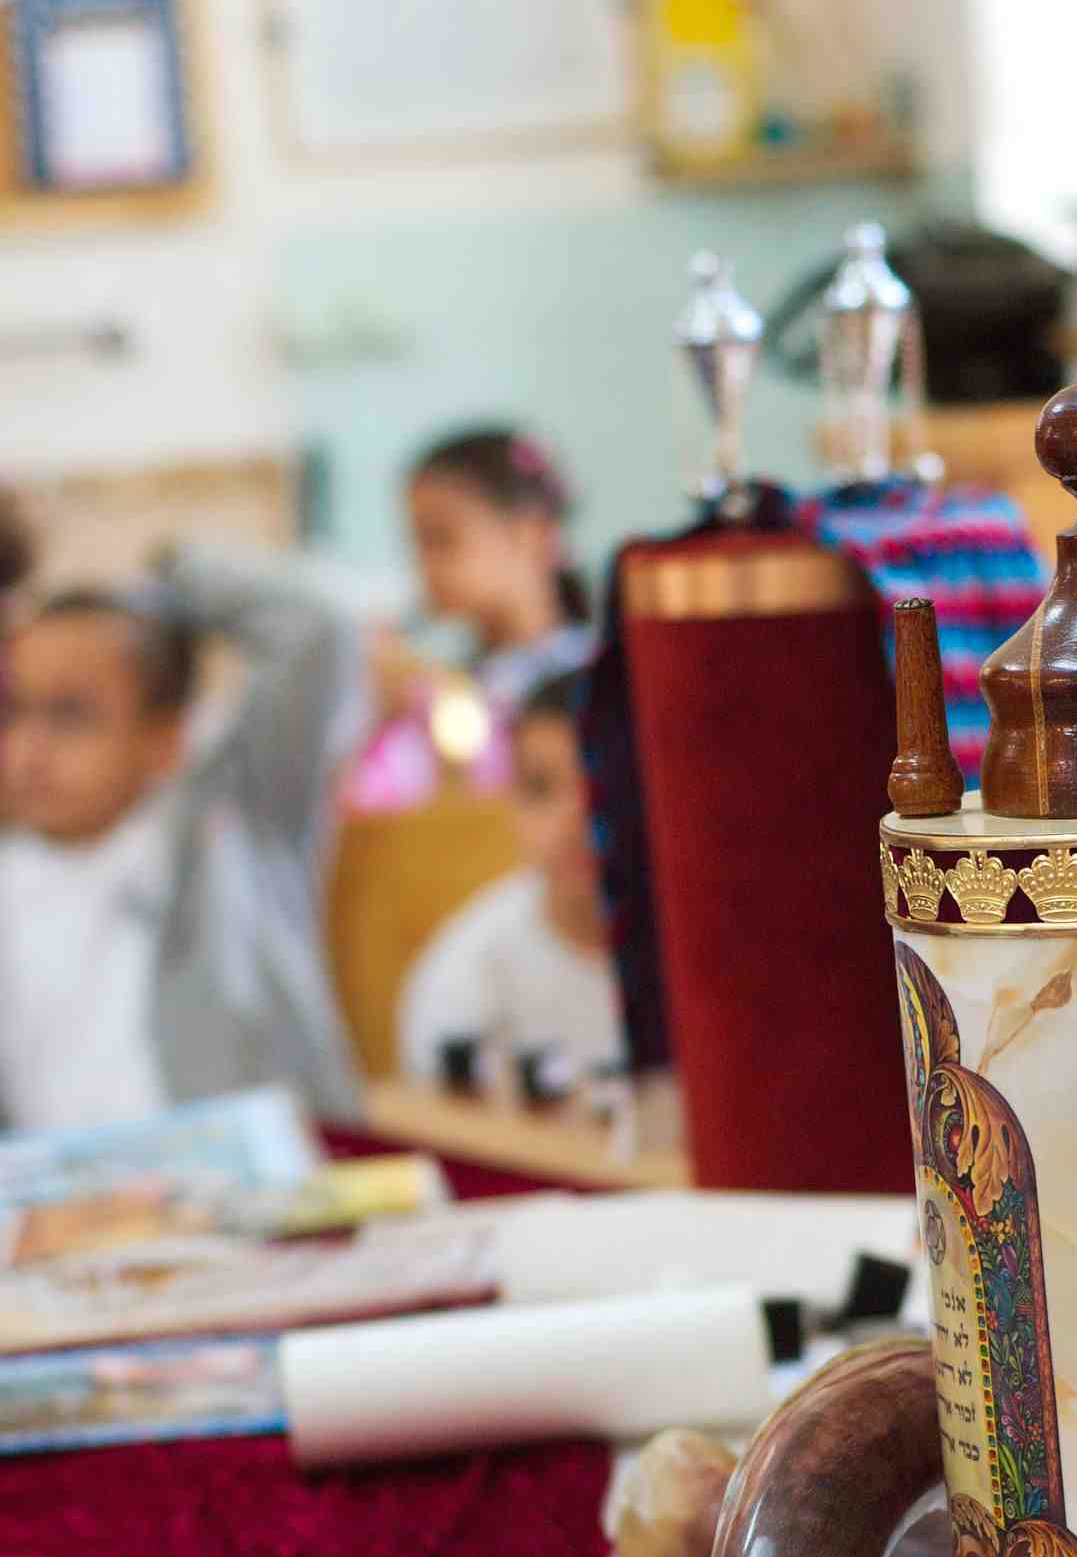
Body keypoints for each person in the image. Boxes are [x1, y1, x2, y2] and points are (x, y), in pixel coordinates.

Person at [0, 551, 363, 1130]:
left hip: (258, 1178)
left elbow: (317, 633)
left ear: (166, 736)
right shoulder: (13, 877)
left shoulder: (231, 821)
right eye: (12, 711)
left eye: (71, 715)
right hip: (57, 1185)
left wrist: (167, 569)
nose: (28, 749)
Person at [398, 673, 625, 1093]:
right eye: (540, 789)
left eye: (601, 783)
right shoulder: (466, 976)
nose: (574, 819)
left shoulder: (701, 955)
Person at [348, 426, 595, 812]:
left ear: (531, 534)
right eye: (417, 543)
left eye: (441, 538)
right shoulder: (439, 684)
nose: (424, 565)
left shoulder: (591, 676)